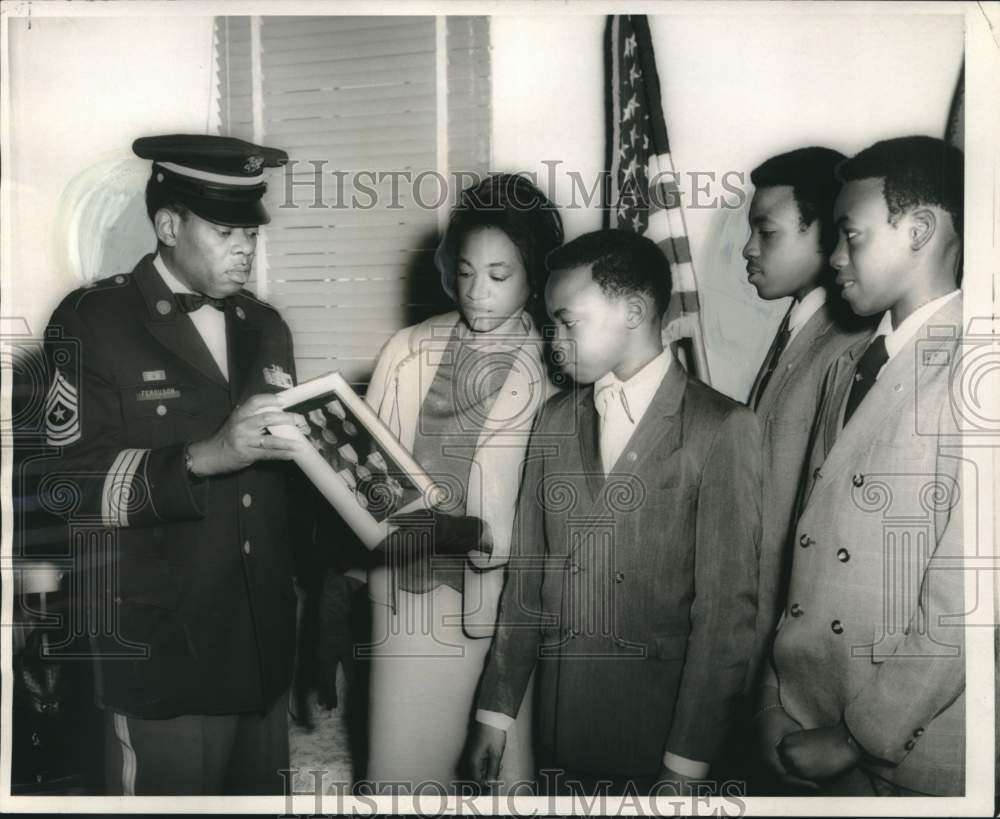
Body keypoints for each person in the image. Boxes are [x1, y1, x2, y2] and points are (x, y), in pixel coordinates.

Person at [40, 134, 308, 795]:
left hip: (262, 648)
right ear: (167, 225)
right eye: (226, 231)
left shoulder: (268, 326)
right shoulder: (90, 321)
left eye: (251, 232)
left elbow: (280, 492)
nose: (247, 247)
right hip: (164, 653)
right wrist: (204, 457)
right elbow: (67, 488)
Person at [462, 229, 762, 794]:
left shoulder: (720, 428)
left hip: (657, 740)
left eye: (568, 322)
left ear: (633, 310)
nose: (553, 339)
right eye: (550, 323)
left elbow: (725, 620)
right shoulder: (555, 419)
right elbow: (526, 578)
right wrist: (494, 715)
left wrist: (687, 764)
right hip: (560, 729)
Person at [758, 136, 965, 796]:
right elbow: (804, 552)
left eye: (851, 236)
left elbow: (963, 603)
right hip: (801, 714)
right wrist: (774, 696)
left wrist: (855, 735)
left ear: (920, 230)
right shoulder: (850, 363)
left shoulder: (975, 371)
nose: (835, 258)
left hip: (900, 754)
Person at [361, 174, 563, 790]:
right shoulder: (405, 349)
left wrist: (473, 533)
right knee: (401, 767)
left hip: (494, 608)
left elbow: (549, 515)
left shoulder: (558, 368)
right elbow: (367, 472)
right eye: (467, 272)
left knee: (493, 773)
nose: (478, 292)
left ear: (536, 278)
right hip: (405, 595)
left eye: (500, 276)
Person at [741, 147, 873, 692]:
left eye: (766, 233)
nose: (748, 249)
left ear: (825, 237)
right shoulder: (798, 327)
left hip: (784, 653)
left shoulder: (849, 346)